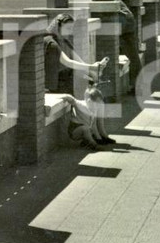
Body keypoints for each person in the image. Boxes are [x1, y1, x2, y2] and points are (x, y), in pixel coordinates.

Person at [43, 14, 115, 148]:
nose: (70, 32)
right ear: (58, 26)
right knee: (83, 107)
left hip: (65, 80)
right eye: (68, 28)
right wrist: (91, 67)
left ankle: (99, 134)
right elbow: (67, 62)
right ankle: (87, 135)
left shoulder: (64, 40)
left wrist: (92, 71)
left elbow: (78, 61)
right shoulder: (51, 42)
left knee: (96, 104)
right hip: (54, 84)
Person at [78, 0, 142, 88]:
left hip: (123, 21)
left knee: (123, 51)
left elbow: (93, 13)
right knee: (133, 55)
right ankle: (137, 84)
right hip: (128, 20)